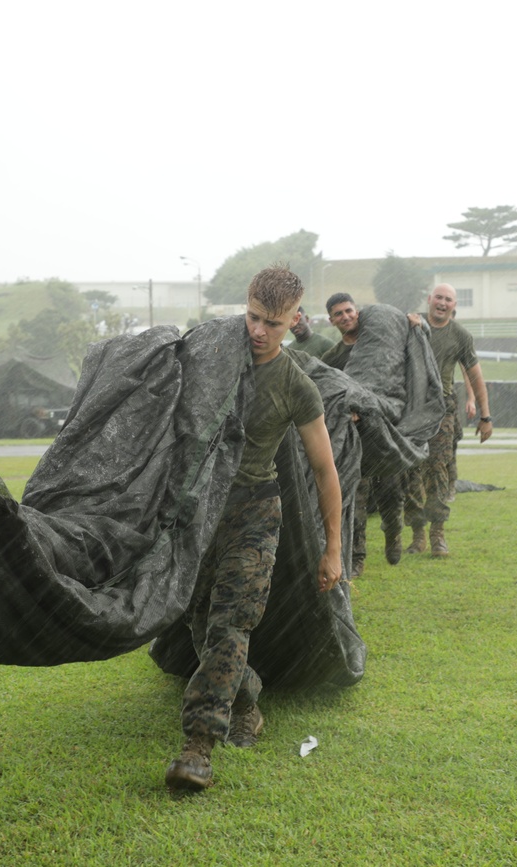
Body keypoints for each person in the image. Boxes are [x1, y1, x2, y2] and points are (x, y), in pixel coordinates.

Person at [165, 266, 342, 792]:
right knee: (199, 625)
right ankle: (247, 697)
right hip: (200, 512)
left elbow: (324, 469)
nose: (259, 331)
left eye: (273, 323)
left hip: (255, 511)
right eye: (252, 317)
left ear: (294, 321)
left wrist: (333, 549)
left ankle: (197, 748)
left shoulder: (295, 384)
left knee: (229, 625)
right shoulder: (213, 359)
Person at [320, 293, 410, 576]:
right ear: (331, 320)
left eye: (348, 310)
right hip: (354, 438)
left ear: (357, 312)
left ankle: (393, 532)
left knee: (391, 493)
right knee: (353, 498)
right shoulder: (333, 358)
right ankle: (357, 556)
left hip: (385, 434)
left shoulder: (382, 342)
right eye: (338, 314)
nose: (345, 317)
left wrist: (414, 323)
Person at [403, 283, 492, 556]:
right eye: (438, 298)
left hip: (442, 409)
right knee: (410, 472)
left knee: (438, 470)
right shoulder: (410, 325)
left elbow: (475, 375)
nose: (442, 303)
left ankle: (438, 535)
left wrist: (485, 416)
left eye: (448, 300)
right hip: (410, 409)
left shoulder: (460, 335)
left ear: (454, 306)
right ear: (429, 299)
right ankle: (417, 536)